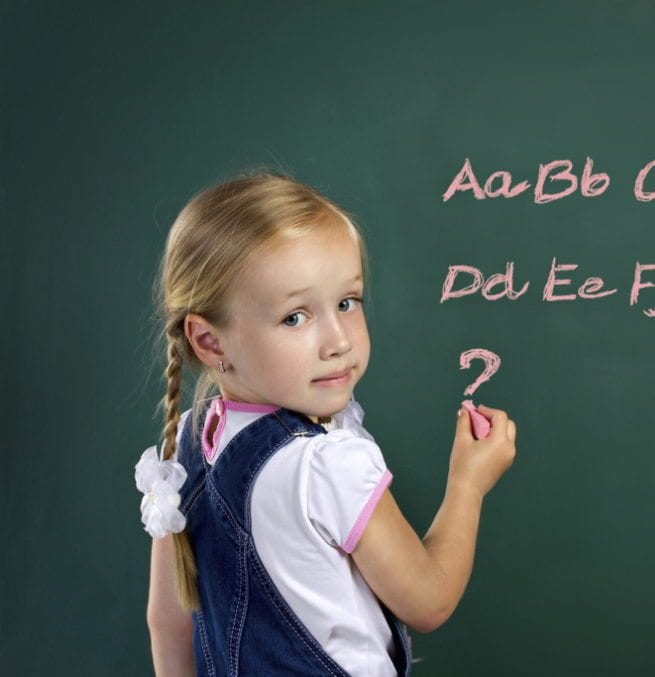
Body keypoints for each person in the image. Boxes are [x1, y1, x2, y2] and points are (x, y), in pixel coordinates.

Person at [136, 172, 517, 676]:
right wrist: (468, 483)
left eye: (347, 302)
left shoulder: (183, 445)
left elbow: (168, 621)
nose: (338, 339)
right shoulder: (326, 463)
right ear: (210, 342)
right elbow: (428, 600)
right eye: (295, 317)